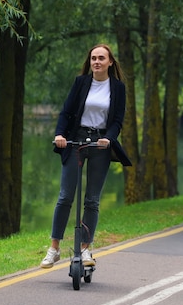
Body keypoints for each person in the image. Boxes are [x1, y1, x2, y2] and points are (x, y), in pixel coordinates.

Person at [40, 44, 132, 269]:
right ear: (89, 62)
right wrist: (60, 133)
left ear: (110, 62)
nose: (97, 62)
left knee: (92, 200)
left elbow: (117, 120)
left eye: (101, 58)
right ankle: (54, 249)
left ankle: (86, 248)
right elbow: (67, 112)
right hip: (76, 141)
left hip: (100, 143)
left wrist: (108, 138)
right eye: (93, 58)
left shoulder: (118, 88)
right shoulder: (81, 83)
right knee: (65, 196)